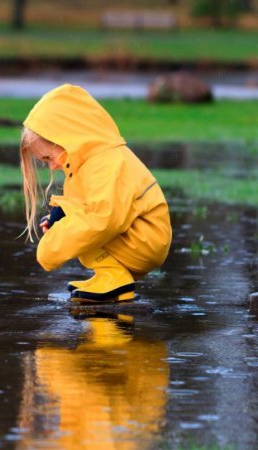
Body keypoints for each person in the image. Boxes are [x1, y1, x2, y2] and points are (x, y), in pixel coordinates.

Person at [20, 84, 172, 303]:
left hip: (145, 242)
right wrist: (60, 217)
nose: (52, 167)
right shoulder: (87, 163)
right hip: (136, 238)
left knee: (85, 230)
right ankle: (109, 275)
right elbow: (84, 205)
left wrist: (52, 247)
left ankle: (116, 279)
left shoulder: (107, 163)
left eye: (48, 158)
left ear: (66, 138)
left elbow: (104, 219)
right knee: (78, 227)